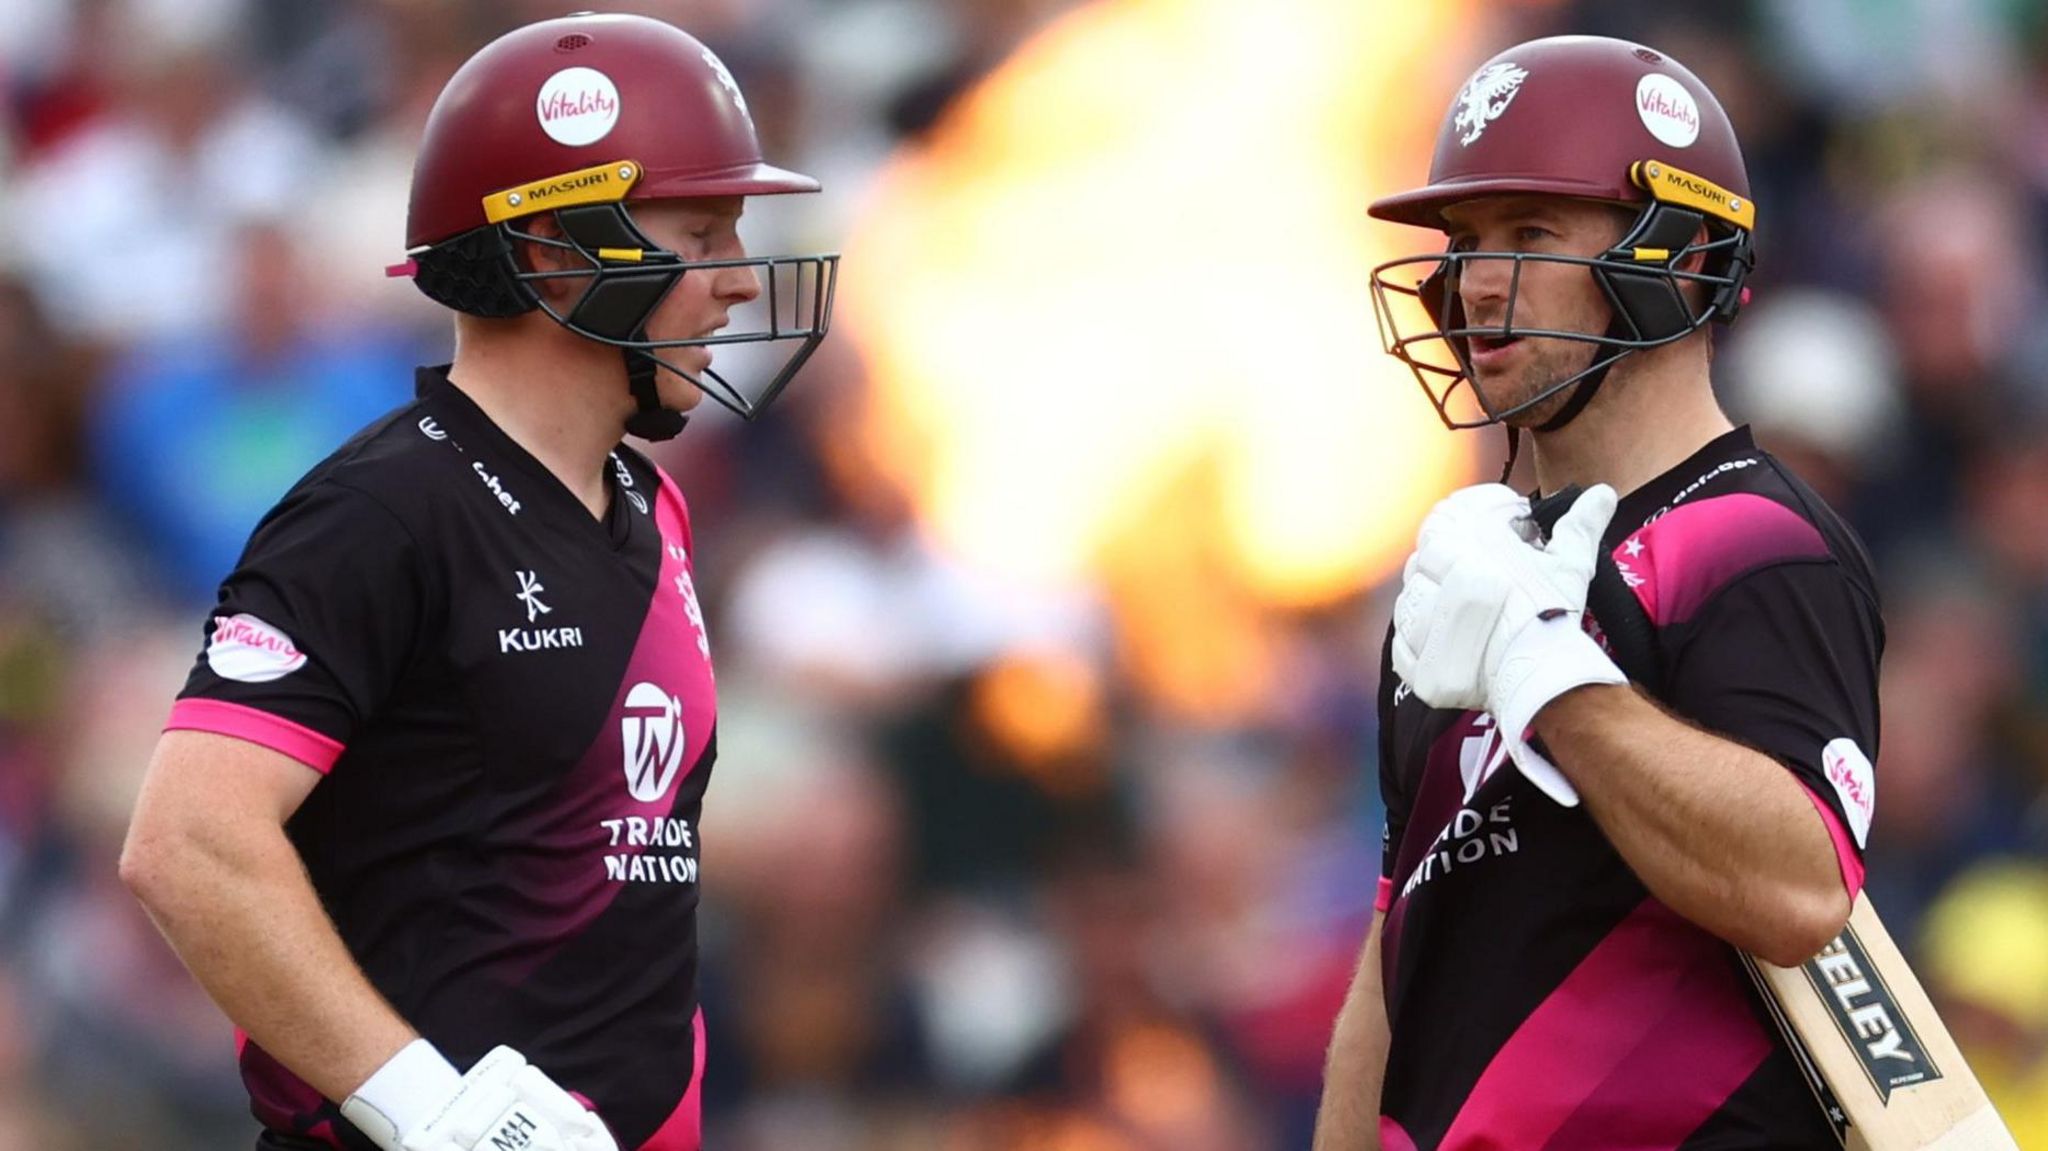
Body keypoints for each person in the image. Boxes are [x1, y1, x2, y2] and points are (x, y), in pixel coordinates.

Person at [118, 13, 837, 1151]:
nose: (739, 283)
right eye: (700, 234)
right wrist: (432, 1107)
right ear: (553, 252)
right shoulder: (381, 512)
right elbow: (187, 842)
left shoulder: (655, 504)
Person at [1313, 35, 1883, 1150]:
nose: (1473, 280)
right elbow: (1398, 954)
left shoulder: (1756, 539)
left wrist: (1549, 676)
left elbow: (1800, 888)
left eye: (1528, 234)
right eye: (1464, 240)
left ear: (1675, 257)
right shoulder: (1467, 562)